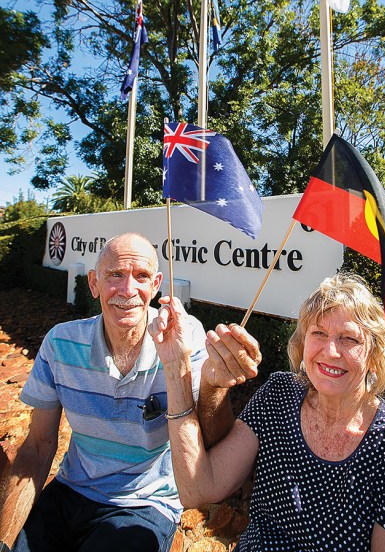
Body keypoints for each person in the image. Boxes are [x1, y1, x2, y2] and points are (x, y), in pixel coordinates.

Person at [0, 232, 261, 552]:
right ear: (93, 284)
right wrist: (5, 540)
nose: (128, 290)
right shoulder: (60, 344)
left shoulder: (183, 335)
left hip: (144, 506)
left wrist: (213, 385)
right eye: (115, 275)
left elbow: (212, 440)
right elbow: (38, 447)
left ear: (156, 284)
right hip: (69, 491)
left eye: (141, 276)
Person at [155, 272, 385, 552]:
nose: (330, 350)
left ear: (375, 355)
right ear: (302, 342)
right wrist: (177, 368)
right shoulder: (279, 396)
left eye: (349, 338)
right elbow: (198, 489)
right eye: (318, 333)